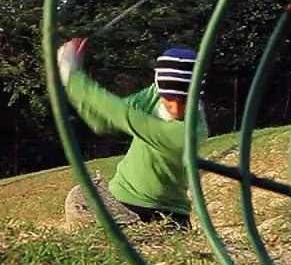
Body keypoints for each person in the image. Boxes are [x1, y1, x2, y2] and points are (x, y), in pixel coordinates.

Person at [58, 38, 207, 229]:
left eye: (185, 99)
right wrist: (75, 80)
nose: (176, 108)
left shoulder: (189, 131)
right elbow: (102, 121)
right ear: (159, 88)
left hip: (166, 214)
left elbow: (122, 115)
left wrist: (73, 78)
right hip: (120, 200)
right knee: (79, 196)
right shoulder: (153, 96)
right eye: (169, 98)